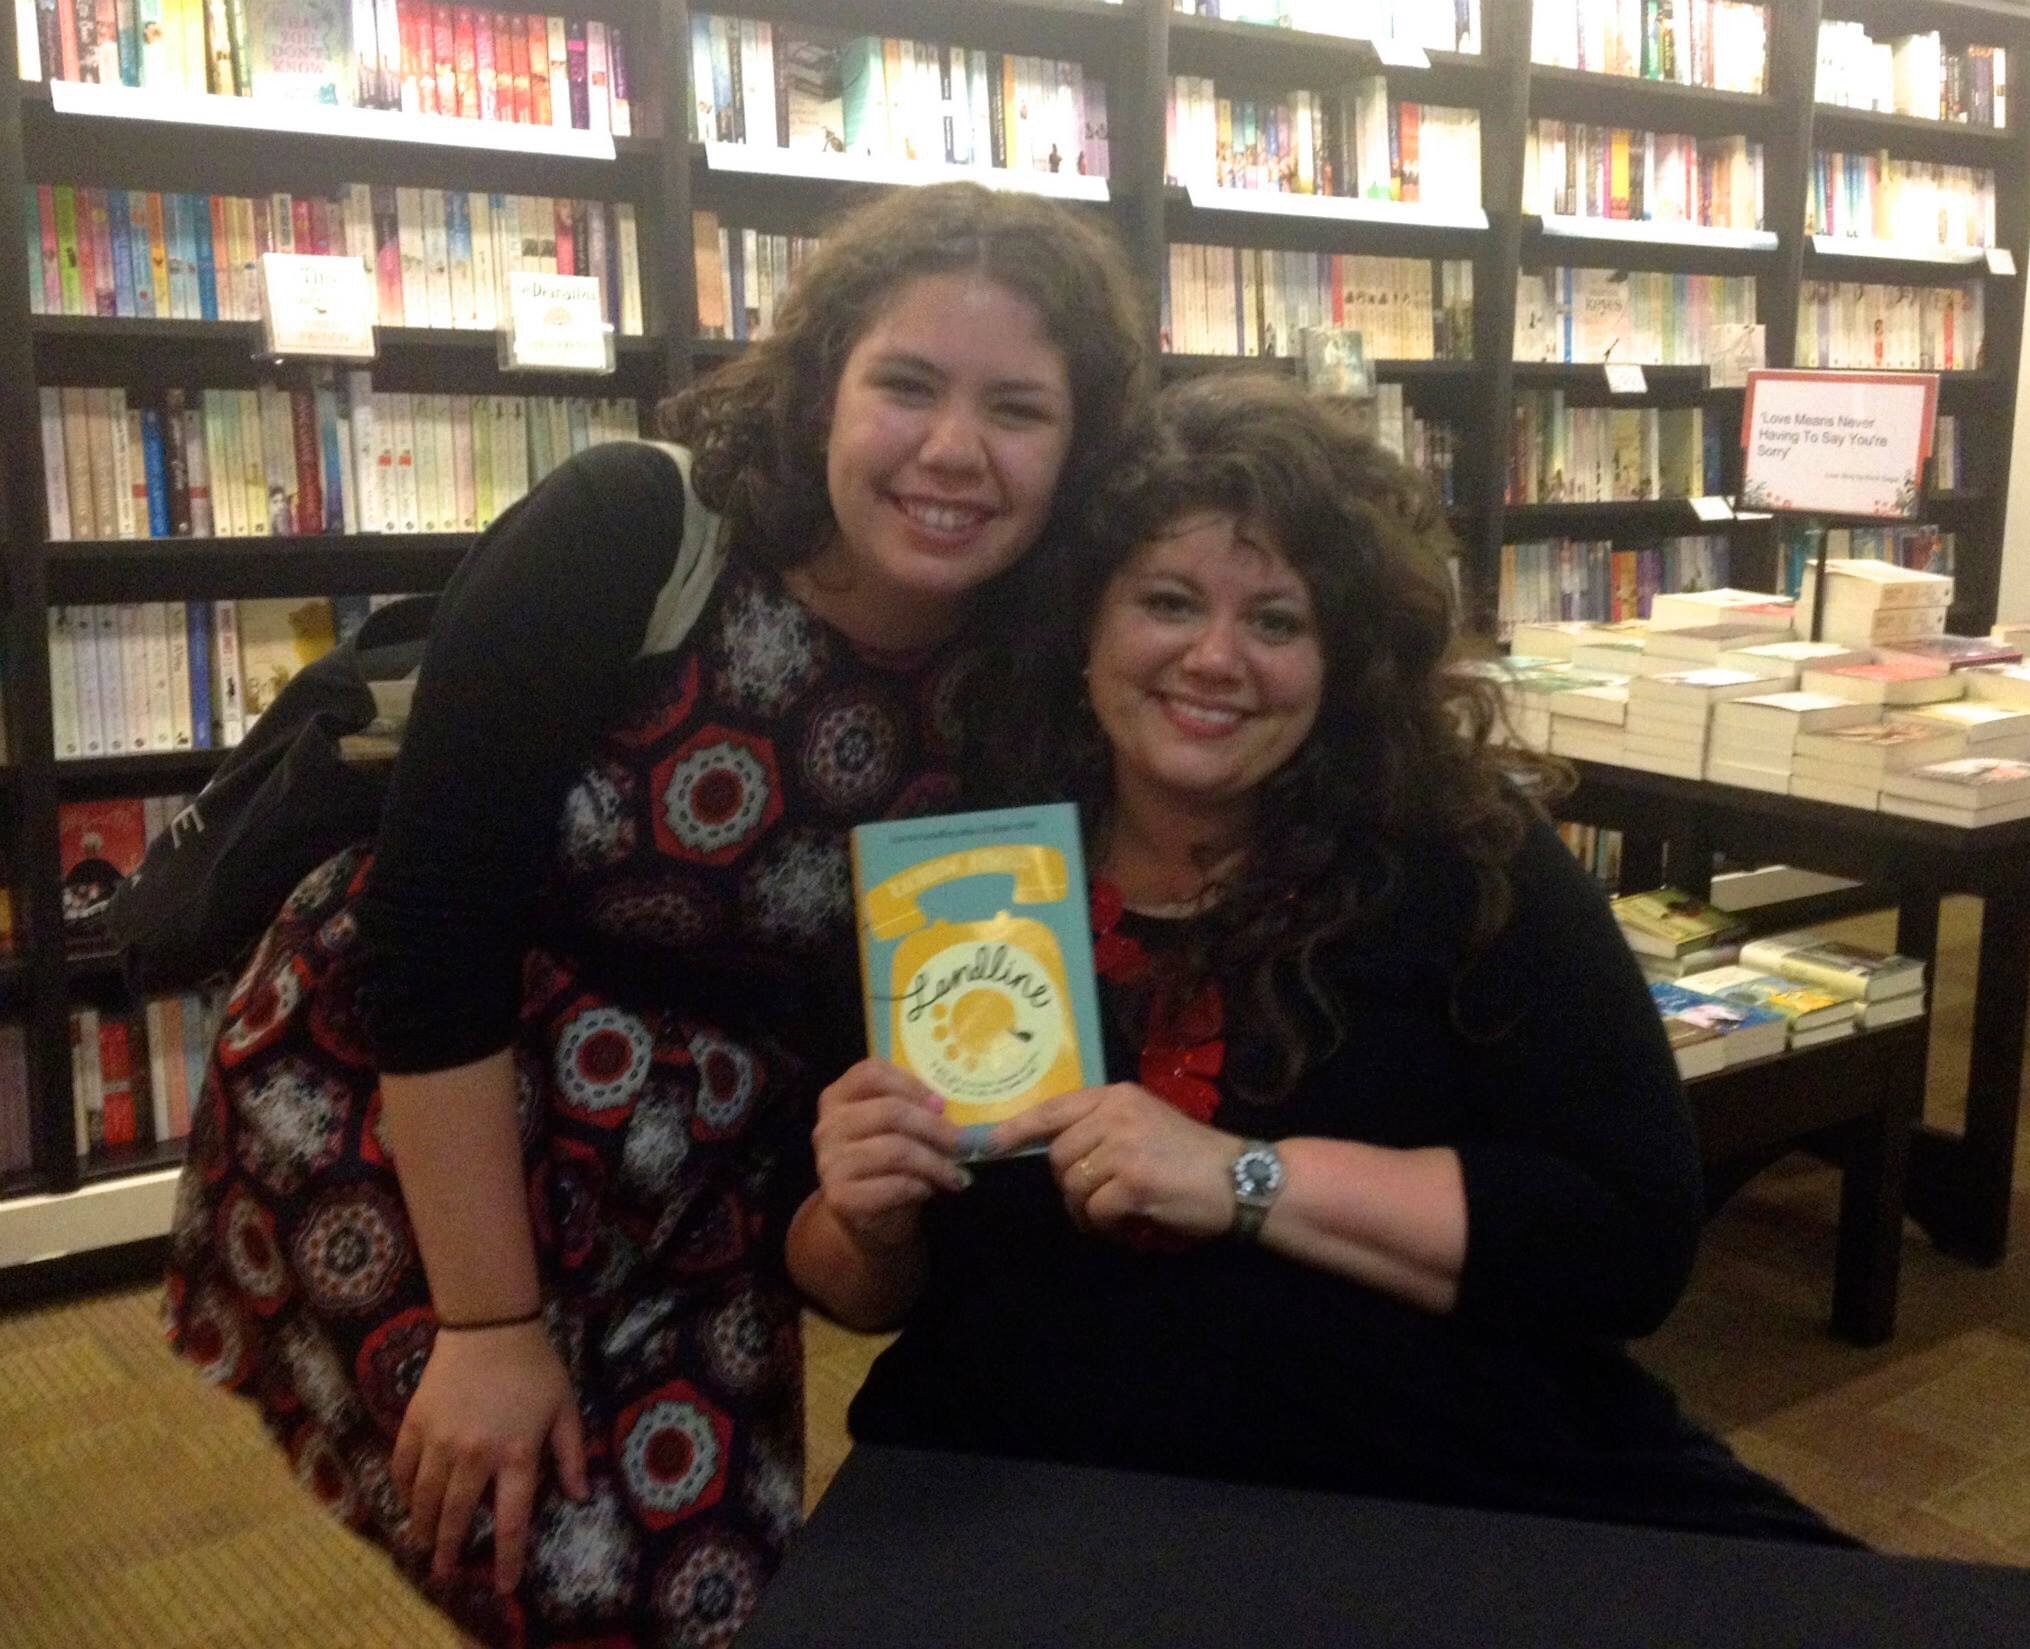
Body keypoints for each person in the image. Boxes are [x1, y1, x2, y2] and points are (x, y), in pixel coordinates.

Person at [163, 180, 1150, 1647]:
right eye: (907, 385)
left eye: (1018, 408)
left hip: (698, 1167)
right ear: (825, 385)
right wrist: (491, 1328)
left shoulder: (1033, 670)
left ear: (1077, 451)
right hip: (418, 1100)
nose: (954, 451)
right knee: (551, 1551)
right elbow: (428, 925)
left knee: (722, 1601)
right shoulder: (635, 525)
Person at [790, 373, 1852, 1546]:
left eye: (1276, 620)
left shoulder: (1466, 866)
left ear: (1343, 656)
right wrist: (866, 1221)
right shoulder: (960, 876)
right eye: (1167, 601)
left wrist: (1244, 1177)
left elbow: (1624, 1242)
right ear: (1082, 627)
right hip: (1029, 1486)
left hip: (1429, 1485)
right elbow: (853, 1285)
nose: (1213, 657)